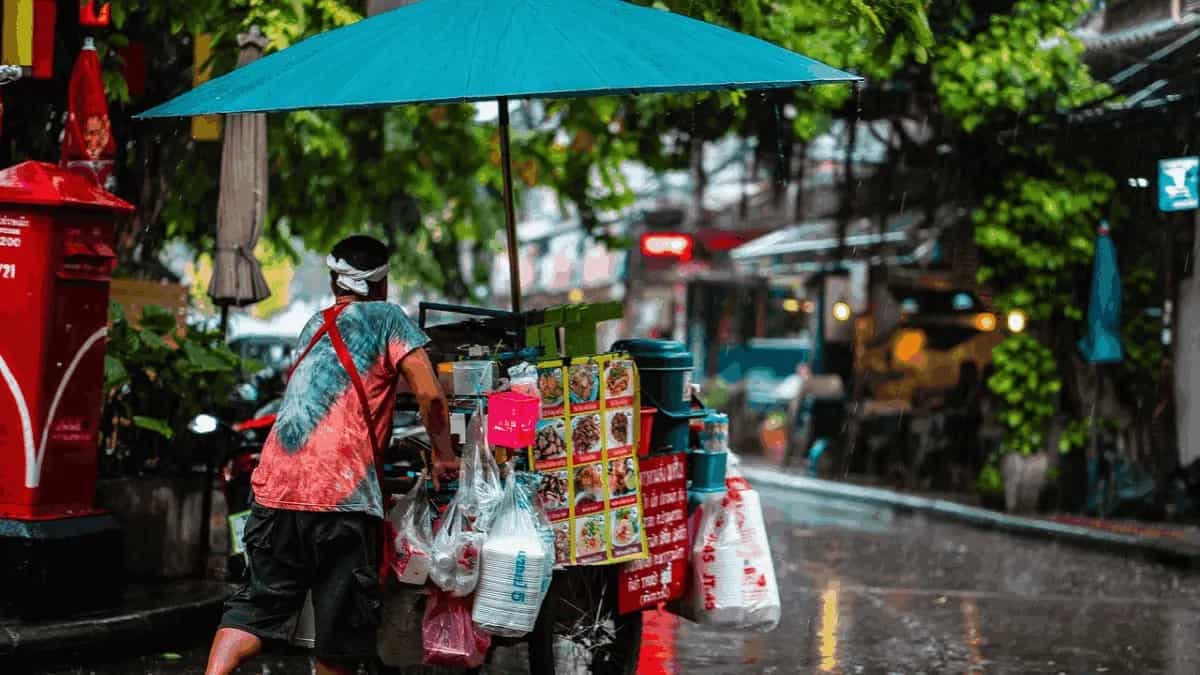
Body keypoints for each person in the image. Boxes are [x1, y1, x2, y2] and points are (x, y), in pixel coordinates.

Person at [205, 235, 457, 675]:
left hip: (274, 491)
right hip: (340, 498)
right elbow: (430, 396)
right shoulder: (387, 319)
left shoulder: (313, 325)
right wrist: (443, 454)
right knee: (340, 637)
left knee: (253, 610)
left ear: (332, 280)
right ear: (382, 283)